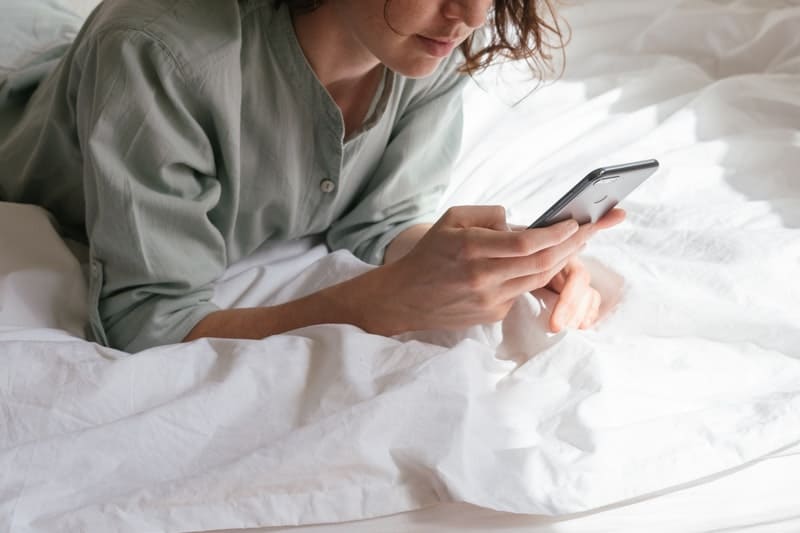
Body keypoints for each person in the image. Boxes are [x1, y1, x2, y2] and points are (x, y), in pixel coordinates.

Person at [0, 0, 624, 353]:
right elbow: (148, 321)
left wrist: (505, 259)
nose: (473, 13)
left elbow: (381, 220)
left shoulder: (427, 44)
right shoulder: (159, 55)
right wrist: (379, 303)